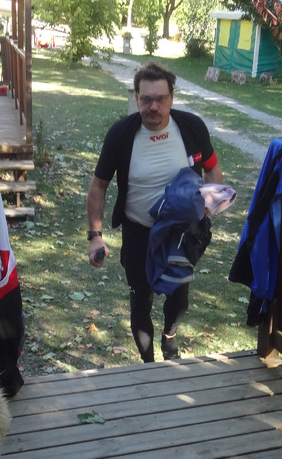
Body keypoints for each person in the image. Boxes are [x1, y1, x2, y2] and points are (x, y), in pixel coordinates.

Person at [86, 61, 223, 362]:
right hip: (138, 233)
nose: (153, 107)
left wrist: (207, 208)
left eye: (160, 98)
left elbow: (212, 169)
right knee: (141, 302)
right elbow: (98, 186)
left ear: (171, 97)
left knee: (179, 298)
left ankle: (169, 337)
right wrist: (95, 235)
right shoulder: (121, 134)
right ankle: (148, 364)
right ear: (136, 98)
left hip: (181, 233)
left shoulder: (191, 128)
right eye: (146, 99)